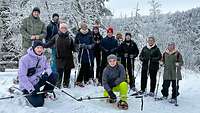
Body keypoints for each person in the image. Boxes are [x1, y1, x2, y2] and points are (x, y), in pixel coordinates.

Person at [18, 40, 57, 107]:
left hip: (38, 80)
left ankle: (45, 92)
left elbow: (48, 68)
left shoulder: (43, 58)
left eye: (41, 48)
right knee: (38, 104)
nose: (40, 49)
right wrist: (30, 89)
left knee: (54, 75)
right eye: (38, 47)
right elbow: (22, 76)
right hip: (29, 85)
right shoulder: (24, 59)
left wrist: (46, 74)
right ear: (33, 48)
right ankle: (29, 93)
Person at [45, 23, 76, 88]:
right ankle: (58, 86)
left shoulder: (70, 38)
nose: (63, 29)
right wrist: (41, 45)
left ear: (67, 29)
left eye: (65, 28)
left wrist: (78, 47)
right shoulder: (56, 37)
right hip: (59, 58)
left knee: (67, 73)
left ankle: (66, 85)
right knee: (59, 73)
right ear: (59, 28)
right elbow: (49, 43)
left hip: (68, 58)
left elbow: (73, 48)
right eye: (62, 28)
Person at [75, 22, 94, 87]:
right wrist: (79, 45)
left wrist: (89, 46)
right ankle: (79, 80)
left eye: (85, 26)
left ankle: (86, 79)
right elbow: (75, 43)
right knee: (82, 66)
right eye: (83, 26)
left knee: (88, 66)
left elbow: (93, 43)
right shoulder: (78, 34)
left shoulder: (90, 34)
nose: (84, 27)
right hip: (82, 52)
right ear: (81, 27)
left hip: (88, 52)